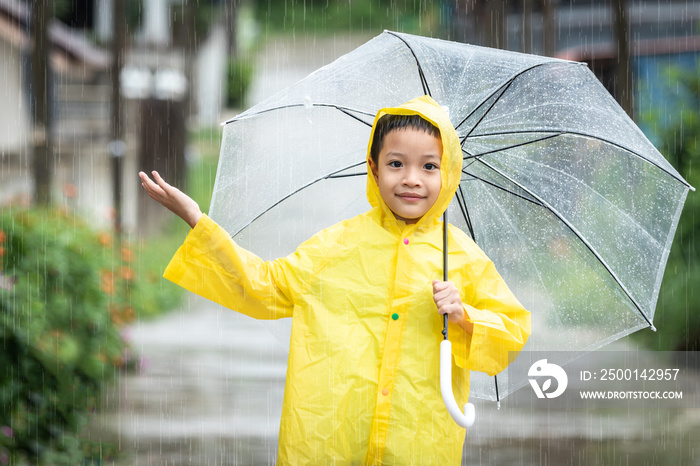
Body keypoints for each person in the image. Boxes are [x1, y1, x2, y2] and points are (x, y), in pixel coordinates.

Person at [139, 95, 530, 465]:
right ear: (374, 168)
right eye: (396, 164)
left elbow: (510, 336)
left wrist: (465, 316)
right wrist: (198, 222)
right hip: (331, 442)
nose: (412, 179)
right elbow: (265, 287)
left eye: (429, 166)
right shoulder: (337, 244)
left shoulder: (461, 258)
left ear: (448, 173)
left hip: (420, 443)